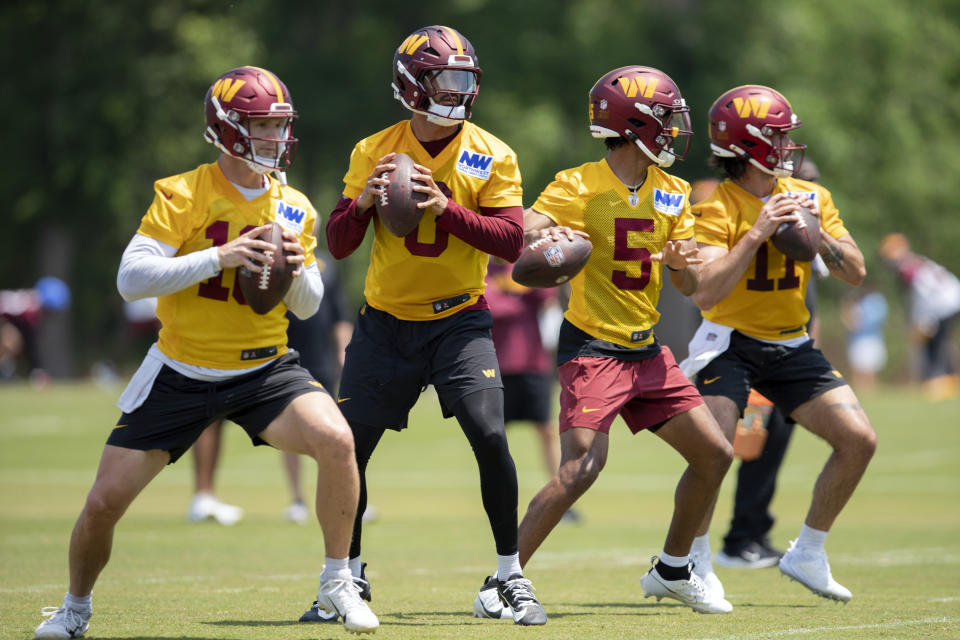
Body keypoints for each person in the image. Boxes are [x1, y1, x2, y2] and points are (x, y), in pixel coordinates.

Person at [33, 66, 378, 639]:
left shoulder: (292, 205)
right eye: (263, 126)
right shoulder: (184, 193)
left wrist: (293, 268)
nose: (276, 137)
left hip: (263, 367)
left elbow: (311, 306)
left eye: (279, 125)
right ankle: (74, 608)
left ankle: (338, 581)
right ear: (229, 130)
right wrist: (221, 258)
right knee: (102, 504)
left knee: (338, 440)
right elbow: (131, 278)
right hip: (181, 368)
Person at [297, 26, 547, 626]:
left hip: (460, 319)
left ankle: (510, 575)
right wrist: (361, 205)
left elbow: (512, 241)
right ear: (414, 84)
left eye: (465, 79)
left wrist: (446, 209)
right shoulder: (374, 149)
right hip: (385, 325)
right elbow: (337, 241)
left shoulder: (493, 152)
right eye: (447, 78)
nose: (459, 91)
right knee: (349, 451)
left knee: (490, 435)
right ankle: (346, 578)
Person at [476, 65, 735, 617]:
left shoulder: (673, 192)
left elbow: (688, 285)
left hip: (646, 350)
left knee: (714, 454)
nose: (673, 129)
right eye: (664, 118)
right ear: (634, 123)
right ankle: (500, 582)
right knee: (581, 469)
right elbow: (524, 227)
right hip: (593, 347)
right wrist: (544, 232)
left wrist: (681, 268)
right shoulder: (579, 184)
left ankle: (671, 568)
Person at [682, 84, 877, 603]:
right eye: (777, 134)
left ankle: (808, 551)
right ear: (749, 144)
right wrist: (757, 231)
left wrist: (817, 234)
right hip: (730, 341)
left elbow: (856, 273)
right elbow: (705, 291)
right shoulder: (716, 204)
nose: (789, 143)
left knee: (859, 440)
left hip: (791, 343)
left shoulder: (812, 196)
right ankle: (694, 559)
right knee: (715, 450)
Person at [713, 157, 827, 570]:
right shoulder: (750, 224)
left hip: (792, 353)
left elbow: (811, 304)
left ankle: (755, 531)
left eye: (809, 185)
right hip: (748, 356)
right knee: (749, 447)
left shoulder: (804, 235)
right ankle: (738, 538)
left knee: (773, 446)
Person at [484, 259, 580, 523]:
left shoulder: (525, 264)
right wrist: (518, 302)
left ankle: (561, 501)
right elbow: (487, 304)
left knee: (547, 429)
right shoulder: (485, 268)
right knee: (494, 435)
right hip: (495, 364)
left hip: (533, 363)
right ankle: (499, 500)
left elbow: (546, 293)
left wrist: (510, 299)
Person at [879, 232, 960, 400]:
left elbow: (923, 295)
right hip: (949, 301)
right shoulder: (916, 261)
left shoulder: (908, 269)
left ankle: (938, 382)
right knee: (938, 341)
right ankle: (943, 380)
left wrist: (922, 321)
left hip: (942, 305)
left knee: (935, 343)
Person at [840, 285, 888, 392]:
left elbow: (856, 324)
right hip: (861, 339)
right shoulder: (870, 303)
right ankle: (863, 391)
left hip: (867, 339)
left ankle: (868, 391)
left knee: (867, 368)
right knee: (860, 368)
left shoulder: (872, 302)